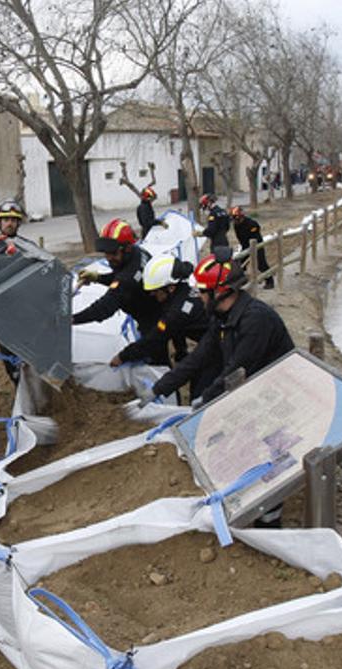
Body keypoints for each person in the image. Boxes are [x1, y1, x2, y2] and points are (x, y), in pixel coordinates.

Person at [143, 249, 294, 527]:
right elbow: (201, 356)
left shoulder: (255, 320)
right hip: (252, 388)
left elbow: (235, 371)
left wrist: (204, 402)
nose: (199, 297)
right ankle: (240, 496)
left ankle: (270, 519)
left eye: (202, 291)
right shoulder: (222, 318)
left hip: (278, 393)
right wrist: (160, 388)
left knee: (266, 453)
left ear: (221, 292)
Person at [109, 253, 212, 403]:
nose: (152, 294)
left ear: (170, 287)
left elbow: (153, 339)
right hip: (210, 338)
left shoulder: (177, 312)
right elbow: (179, 330)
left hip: (218, 343)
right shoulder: (184, 290)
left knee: (200, 392)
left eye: (155, 291)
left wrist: (122, 356)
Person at [73, 218, 164, 363]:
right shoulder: (137, 252)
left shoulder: (127, 278)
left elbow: (103, 309)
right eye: (106, 253)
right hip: (157, 306)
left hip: (153, 318)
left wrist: (72, 319)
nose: (109, 258)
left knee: (157, 358)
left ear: (126, 248)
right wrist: (98, 278)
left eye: (113, 253)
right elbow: (120, 277)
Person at [0, 200, 30, 384]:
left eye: (13, 219)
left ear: (18, 223)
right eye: (6, 220)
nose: (9, 223)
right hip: (3, 314)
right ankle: (18, 386)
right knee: (10, 358)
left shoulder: (28, 246)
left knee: (28, 356)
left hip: (26, 310)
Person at [230, 206, 273, 289]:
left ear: (240, 216)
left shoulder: (251, 224)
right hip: (245, 246)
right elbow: (240, 237)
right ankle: (241, 281)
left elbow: (255, 235)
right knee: (240, 263)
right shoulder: (236, 225)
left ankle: (270, 281)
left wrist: (252, 247)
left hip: (257, 245)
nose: (235, 220)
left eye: (236, 218)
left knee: (261, 264)